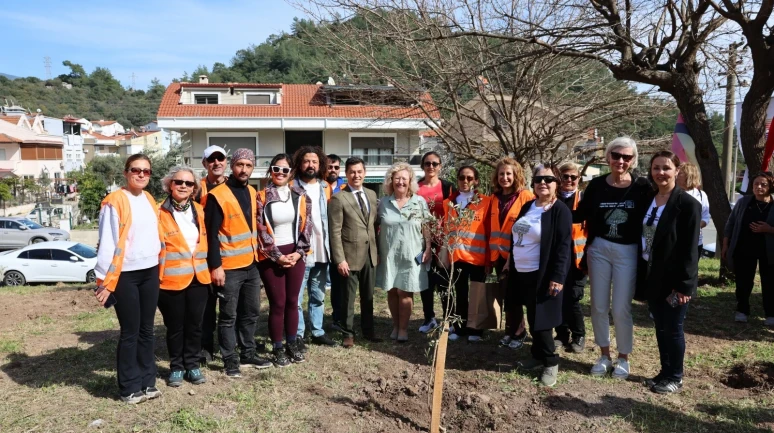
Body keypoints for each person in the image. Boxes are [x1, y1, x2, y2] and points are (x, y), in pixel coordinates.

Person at [575, 137, 650, 379]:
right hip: (599, 248)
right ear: (607, 157)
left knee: (620, 308)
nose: (620, 161)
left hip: (627, 251)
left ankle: (623, 358)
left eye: (626, 157)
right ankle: (604, 354)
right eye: (616, 155)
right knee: (597, 305)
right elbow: (580, 214)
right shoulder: (596, 185)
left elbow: (653, 218)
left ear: (633, 160)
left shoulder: (642, 187)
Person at [94, 154, 162, 404]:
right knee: (131, 331)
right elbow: (107, 243)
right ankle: (129, 387)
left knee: (147, 330)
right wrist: (103, 280)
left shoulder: (149, 199)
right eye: (136, 170)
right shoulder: (114, 201)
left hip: (150, 271)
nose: (142, 174)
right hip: (125, 275)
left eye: (146, 171)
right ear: (125, 172)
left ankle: (148, 381)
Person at [204, 148, 272, 378]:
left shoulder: (252, 192)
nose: (244, 169)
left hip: (251, 265)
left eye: (248, 165)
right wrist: (216, 266)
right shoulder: (217, 195)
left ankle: (248, 352)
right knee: (228, 316)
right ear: (232, 166)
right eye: (240, 164)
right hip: (229, 267)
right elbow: (210, 235)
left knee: (251, 312)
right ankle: (230, 359)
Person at [638, 150, 701, 394]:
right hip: (653, 276)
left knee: (673, 328)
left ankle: (675, 376)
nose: (660, 173)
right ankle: (664, 372)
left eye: (666, 168)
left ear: (677, 170)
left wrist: (684, 285)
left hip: (675, 280)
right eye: (656, 168)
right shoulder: (650, 199)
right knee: (660, 326)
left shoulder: (687, 204)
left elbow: (690, 249)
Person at [511, 164, 572, 387]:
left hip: (543, 273)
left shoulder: (560, 210)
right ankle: (537, 356)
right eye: (538, 179)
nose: (543, 183)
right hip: (522, 271)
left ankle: (551, 361)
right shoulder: (528, 206)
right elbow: (517, 235)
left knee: (543, 319)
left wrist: (558, 277)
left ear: (556, 183)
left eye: (548, 179)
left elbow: (564, 246)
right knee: (533, 316)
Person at [256, 154, 312, 367]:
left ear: (291, 173)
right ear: (270, 171)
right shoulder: (261, 197)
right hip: (272, 256)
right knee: (277, 303)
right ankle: (278, 347)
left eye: (284, 170)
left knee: (292, 301)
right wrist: (278, 257)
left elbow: (307, 225)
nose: (280, 173)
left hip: (296, 254)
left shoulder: (301, 195)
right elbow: (260, 229)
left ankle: (291, 343)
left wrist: (299, 253)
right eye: (276, 169)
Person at [157, 166, 211, 387]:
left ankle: (192, 364)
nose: (183, 186)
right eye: (179, 182)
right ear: (170, 184)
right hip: (172, 280)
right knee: (176, 326)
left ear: (194, 189)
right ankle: (176, 367)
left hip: (199, 278)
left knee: (195, 324)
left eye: (189, 184)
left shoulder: (200, 210)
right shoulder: (158, 212)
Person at [328, 157, 383, 348]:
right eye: (352, 172)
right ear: (346, 174)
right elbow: (334, 232)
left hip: (369, 254)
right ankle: (348, 333)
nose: (356, 175)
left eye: (359, 171)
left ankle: (369, 331)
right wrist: (340, 259)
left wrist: (377, 252)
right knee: (348, 298)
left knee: (368, 296)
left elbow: (374, 225)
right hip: (349, 257)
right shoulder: (338, 198)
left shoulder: (371, 195)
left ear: (365, 173)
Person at [375, 162, 432, 342]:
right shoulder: (383, 203)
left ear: (410, 181)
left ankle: (403, 329)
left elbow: (426, 227)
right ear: (391, 181)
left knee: (405, 291)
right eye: (397, 178)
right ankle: (395, 325)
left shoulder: (419, 201)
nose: (400, 182)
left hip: (411, 254)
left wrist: (429, 248)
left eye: (404, 179)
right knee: (392, 291)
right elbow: (375, 227)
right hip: (388, 254)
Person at [292, 147, 338, 348]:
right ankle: (298, 333)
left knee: (318, 295)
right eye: (306, 161)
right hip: (300, 252)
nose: (310, 165)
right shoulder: (291, 186)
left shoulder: (325, 187)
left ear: (320, 165)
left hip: (321, 250)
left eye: (314, 162)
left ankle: (318, 331)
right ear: (300, 164)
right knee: (296, 297)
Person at [442, 166, 491, 342]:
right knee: (460, 292)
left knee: (477, 294)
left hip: (477, 257)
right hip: (457, 257)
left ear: (476, 180)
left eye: (469, 178)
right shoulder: (448, 202)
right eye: (462, 177)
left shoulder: (486, 202)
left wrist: (488, 260)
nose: (465, 181)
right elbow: (447, 230)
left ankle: (476, 329)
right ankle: (461, 327)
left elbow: (489, 231)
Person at [490, 157, 534, 349]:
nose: (505, 177)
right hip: (497, 256)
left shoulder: (526, 197)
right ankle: (510, 330)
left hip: (517, 256)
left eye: (509, 174)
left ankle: (519, 331)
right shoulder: (494, 198)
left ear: (516, 175)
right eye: (501, 174)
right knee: (505, 294)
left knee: (515, 295)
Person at [722, 172, 774, 326]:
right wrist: (725, 244)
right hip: (744, 248)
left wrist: (769, 229)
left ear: (770, 186)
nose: (759, 187)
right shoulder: (743, 202)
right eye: (756, 184)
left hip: (769, 251)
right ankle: (742, 310)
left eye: (763, 184)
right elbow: (730, 224)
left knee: (770, 282)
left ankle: (771, 314)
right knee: (743, 281)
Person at [416, 151, 457, 333]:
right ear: (422, 166)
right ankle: (429, 318)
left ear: (440, 166)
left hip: (442, 241)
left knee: (443, 281)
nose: (431, 167)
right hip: (420, 241)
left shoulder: (448, 187)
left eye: (434, 163)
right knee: (425, 281)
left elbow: (455, 213)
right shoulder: (415, 187)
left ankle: (449, 319)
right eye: (427, 163)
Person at [196, 145, 228, 365]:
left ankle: (230, 346)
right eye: (211, 160)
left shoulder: (234, 186)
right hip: (202, 256)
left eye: (220, 159)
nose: (216, 163)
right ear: (205, 163)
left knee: (230, 306)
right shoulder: (197, 188)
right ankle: (205, 347)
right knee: (205, 307)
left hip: (230, 257)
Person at [553, 162, 588, 353]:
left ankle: (579, 335)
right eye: (565, 176)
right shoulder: (552, 199)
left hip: (577, 260)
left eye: (573, 177)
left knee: (573, 299)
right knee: (557, 296)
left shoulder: (583, 200)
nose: (568, 180)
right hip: (557, 259)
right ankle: (561, 334)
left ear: (578, 179)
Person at [326, 153, 347, 330]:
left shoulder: (346, 187)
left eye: (336, 167)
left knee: (340, 282)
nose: (333, 170)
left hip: (341, 241)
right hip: (321, 240)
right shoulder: (318, 185)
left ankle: (340, 317)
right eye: (329, 166)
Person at [676, 162, 710, 257]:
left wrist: (695, 227)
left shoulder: (701, 195)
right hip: (674, 241)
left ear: (689, 175)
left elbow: (706, 217)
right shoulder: (671, 193)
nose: (676, 175)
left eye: (679, 173)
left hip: (695, 242)